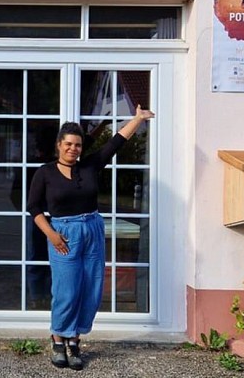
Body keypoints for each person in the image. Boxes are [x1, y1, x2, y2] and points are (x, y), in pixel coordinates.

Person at [27, 104, 155, 371]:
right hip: (64, 232)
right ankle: (58, 338)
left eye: (78, 145)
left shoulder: (89, 166)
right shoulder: (45, 173)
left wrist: (138, 119)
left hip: (92, 230)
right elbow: (34, 208)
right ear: (59, 145)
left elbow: (117, 142)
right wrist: (51, 235)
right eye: (69, 144)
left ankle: (75, 339)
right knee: (66, 290)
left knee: (91, 289)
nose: (74, 149)